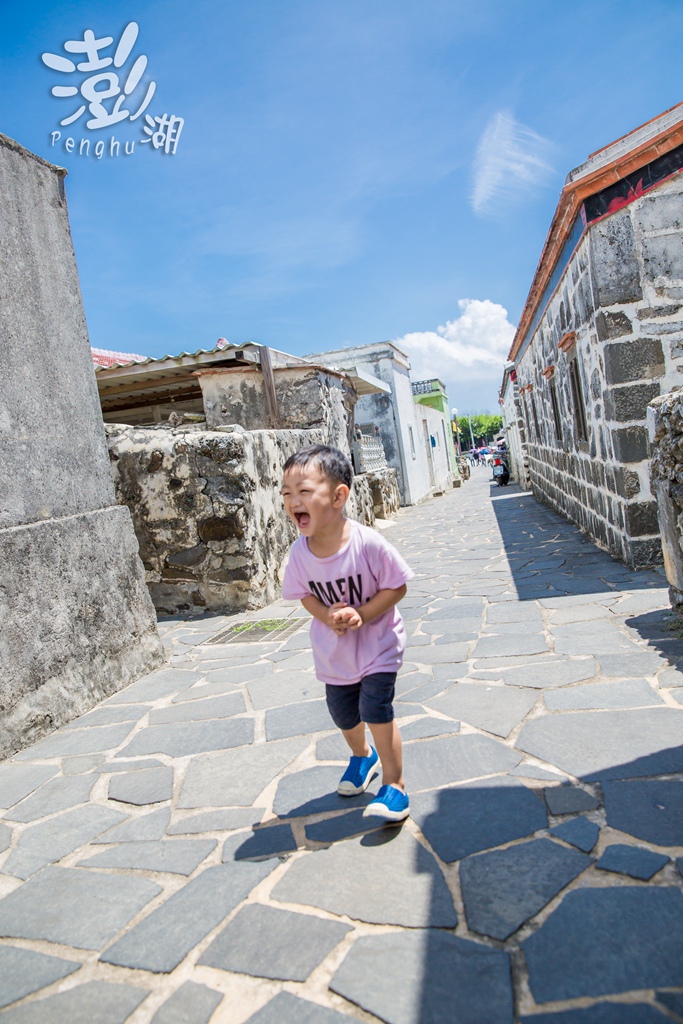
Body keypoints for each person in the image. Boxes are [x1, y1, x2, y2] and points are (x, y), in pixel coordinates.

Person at [280, 444, 414, 821]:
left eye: (304, 491)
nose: (294, 502)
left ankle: (395, 786)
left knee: (375, 709)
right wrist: (325, 614)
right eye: (287, 494)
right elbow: (303, 594)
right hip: (334, 654)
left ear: (339, 496)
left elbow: (397, 585)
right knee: (343, 714)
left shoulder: (367, 543)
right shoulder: (299, 554)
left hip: (378, 647)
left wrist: (364, 613)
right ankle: (362, 756)